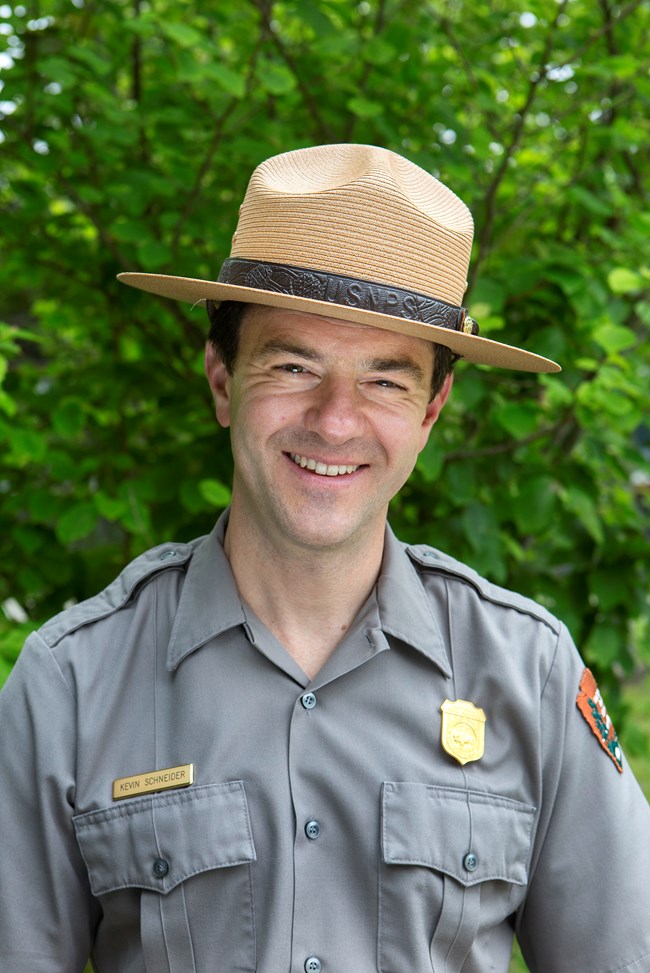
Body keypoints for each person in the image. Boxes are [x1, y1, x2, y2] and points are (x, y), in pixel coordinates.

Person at [0, 144, 648, 973]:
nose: (335, 420)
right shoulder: (74, 684)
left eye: (386, 380)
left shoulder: (531, 674)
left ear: (433, 408)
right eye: (293, 364)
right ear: (222, 378)